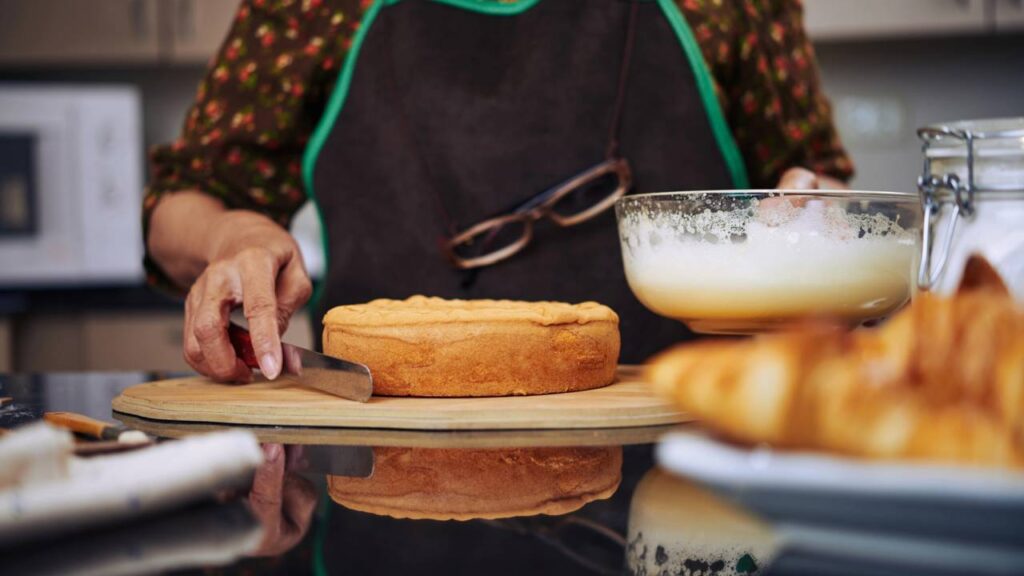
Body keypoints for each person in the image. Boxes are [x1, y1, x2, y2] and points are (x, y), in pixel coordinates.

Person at [146, 0, 853, 382]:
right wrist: (233, 237)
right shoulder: (313, 9)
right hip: (385, 472)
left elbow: (815, 182)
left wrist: (813, 211)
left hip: (690, 446)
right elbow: (183, 202)